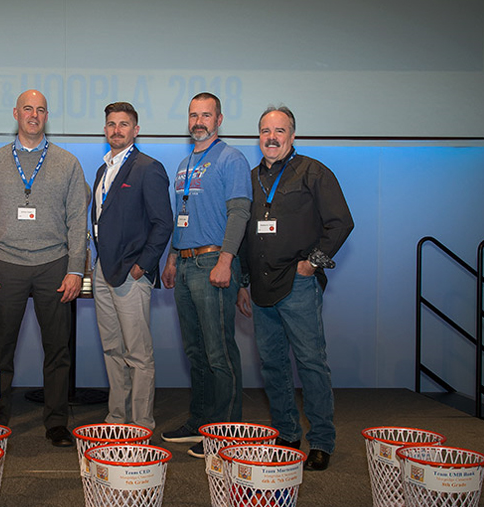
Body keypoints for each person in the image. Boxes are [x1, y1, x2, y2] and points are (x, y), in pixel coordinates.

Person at [237, 106, 353, 471]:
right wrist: (243, 282)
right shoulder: (250, 178)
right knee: (272, 365)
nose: (271, 137)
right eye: (265, 130)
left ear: (292, 135)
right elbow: (242, 233)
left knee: (311, 364)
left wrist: (312, 262)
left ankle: (321, 441)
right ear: (259, 136)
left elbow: (341, 223)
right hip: (259, 285)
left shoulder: (313, 172)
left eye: (279, 130)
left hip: (297, 284)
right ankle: (286, 434)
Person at [0, 90, 90, 447]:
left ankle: (56, 423)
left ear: (46, 116)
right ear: (16, 114)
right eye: (28, 109)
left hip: (54, 266)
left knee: (57, 351)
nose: (34, 115)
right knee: (0, 349)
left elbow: (76, 220)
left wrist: (75, 270)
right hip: (6, 265)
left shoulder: (68, 163)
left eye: (40, 110)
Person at [160, 93, 252, 459]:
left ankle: (226, 433)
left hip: (213, 261)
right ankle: (199, 421)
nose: (199, 121)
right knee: (195, 351)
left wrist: (226, 261)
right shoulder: (185, 163)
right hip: (184, 264)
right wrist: (171, 257)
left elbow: (240, 213)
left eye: (206, 115)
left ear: (219, 119)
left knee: (220, 352)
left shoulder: (232, 158)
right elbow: (180, 215)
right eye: (193, 115)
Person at [91, 102, 173, 430]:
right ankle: (117, 418)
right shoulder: (103, 169)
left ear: (135, 130)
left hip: (130, 274)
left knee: (138, 354)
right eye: (111, 124)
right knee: (112, 349)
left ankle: (141, 424)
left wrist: (143, 265)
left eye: (124, 124)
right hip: (102, 271)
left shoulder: (148, 168)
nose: (116, 130)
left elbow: (163, 223)